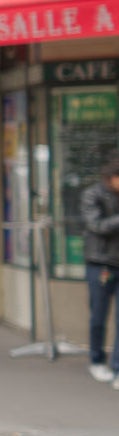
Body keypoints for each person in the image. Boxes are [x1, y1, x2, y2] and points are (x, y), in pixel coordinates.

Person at [81, 158, 119, 384]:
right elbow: (96, 225)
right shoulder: (92, 195)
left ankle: (117, 367)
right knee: (98, 316)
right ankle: (96, 360)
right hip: (101, 263)